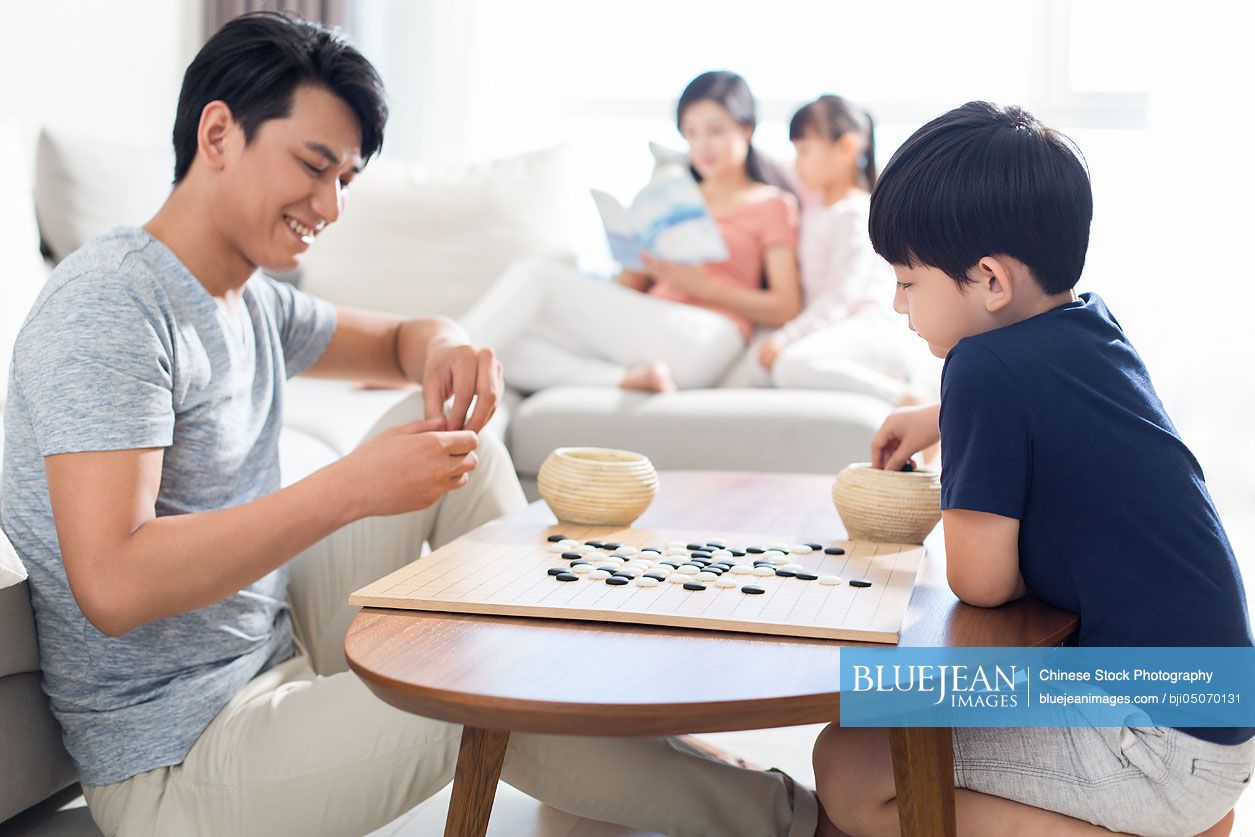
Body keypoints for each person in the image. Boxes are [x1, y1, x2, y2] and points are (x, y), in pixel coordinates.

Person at [0, 14, 821, 835]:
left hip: (275, 650)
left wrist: (450, 346)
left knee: (442, 434)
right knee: (473, 685)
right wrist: (350, 489)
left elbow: (401, 339)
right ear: (219, 133)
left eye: (346, 179)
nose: (330, 205)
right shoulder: (112, 307)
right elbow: (112, 583)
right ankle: (792, 821)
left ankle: (587, 699)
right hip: (178, 760)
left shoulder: (245, 299)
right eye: (314, 166)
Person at [811, 101, 1254, 836]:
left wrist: (963, 445)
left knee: (849, 765)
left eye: (906, 280)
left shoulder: (979, 367)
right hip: (1211, 711)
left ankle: (1155, 828)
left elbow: (980, 582)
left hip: (1153, 742)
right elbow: (1052, 413)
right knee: (873, 718)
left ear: (987, 280)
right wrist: (940, 417)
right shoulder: (1087, 324)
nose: (896, 303)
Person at [459, 70, 802, 394]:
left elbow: (786, 305)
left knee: (536, 276)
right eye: (691, 133)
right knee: (505, 345)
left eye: (715, 131)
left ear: (746, 129)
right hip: (651, 324)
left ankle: (437, 364)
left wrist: (704, 286)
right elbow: (630, 290)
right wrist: (637, 259)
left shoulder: (772, 204)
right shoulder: (672, 195)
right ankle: (622, 379)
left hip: (706, 334)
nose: (702, 145)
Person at [744, 95, 932, 404]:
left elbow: (843, 295)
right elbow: (771, 168)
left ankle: (905, 397)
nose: (796, 162)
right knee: (757, 365)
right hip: (837, 328)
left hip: (871, 329)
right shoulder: (815, 204)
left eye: (804, 150)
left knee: (790, 364)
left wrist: (786, 337)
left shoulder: (855, 212)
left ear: (846, 148)